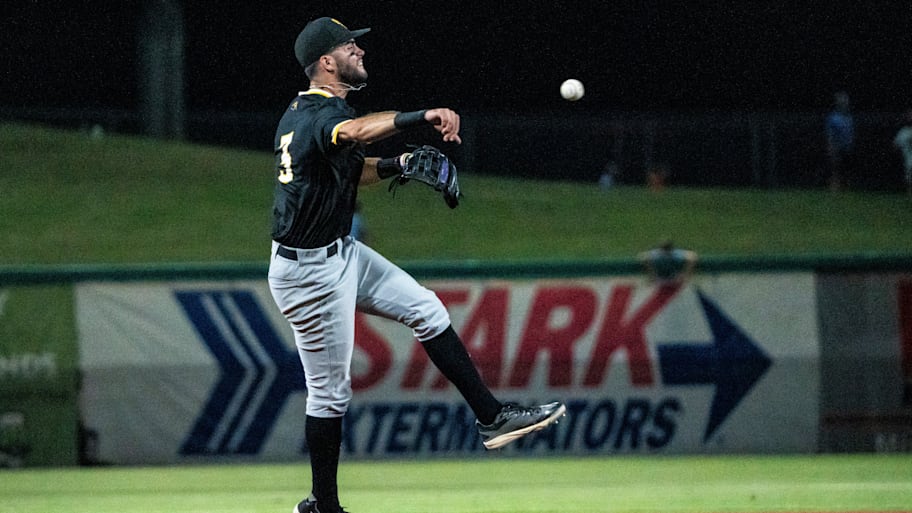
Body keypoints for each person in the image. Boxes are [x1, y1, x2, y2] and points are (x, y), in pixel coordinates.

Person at [267, 17, 566, 513]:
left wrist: (397, 165)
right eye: (348, 47)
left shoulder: (312, 113)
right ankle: (325, 506)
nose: (359, 51)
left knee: (426, 309)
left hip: (339, 252)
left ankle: (492, 418)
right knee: (329, 394)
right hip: (309, 274)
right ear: (326, 62)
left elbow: (351, 169)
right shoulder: (319, 113)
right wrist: (421, 116)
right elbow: (356, 131)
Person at [824, 91, 855, 190]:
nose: (844, 102)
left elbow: (851, 132)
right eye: (842, 100)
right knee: (836, 168)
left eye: (845, 100)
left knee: (847, 168)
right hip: (836, 147)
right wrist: (830, 146)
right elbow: (829, 134)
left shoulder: (849, 117)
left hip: (848, 147)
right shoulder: (833, 117)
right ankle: (834, 186)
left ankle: (846, 186)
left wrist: (851, 143)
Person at [892, 111, 912, 196]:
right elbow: (895, 145)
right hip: (908, 160)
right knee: (909, 177)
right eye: (909, 116)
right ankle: (909, 193)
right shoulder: (903, 132)